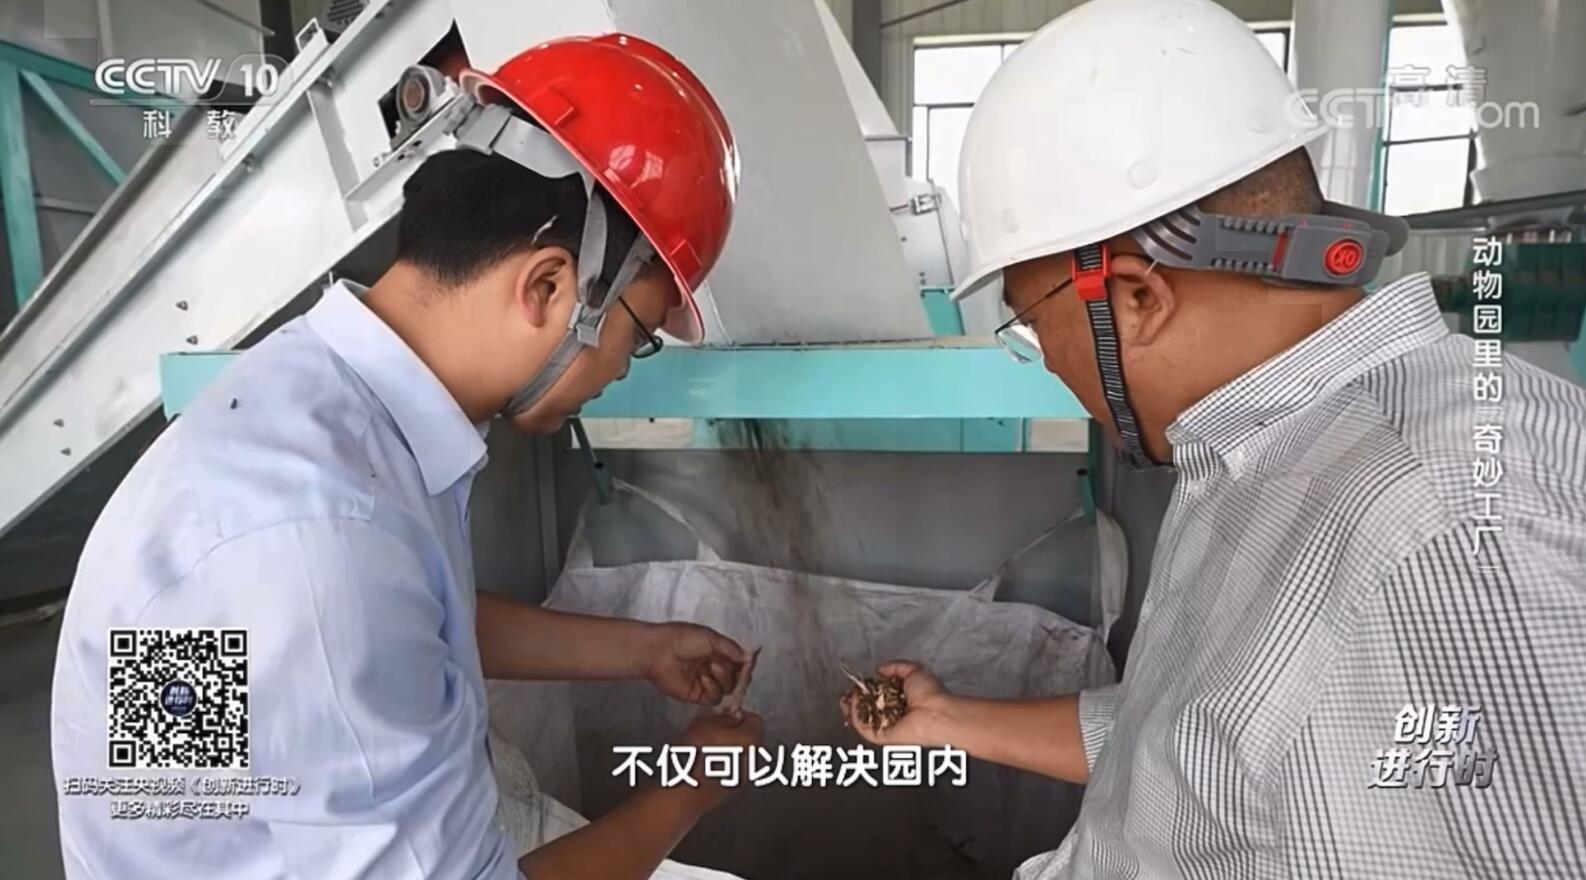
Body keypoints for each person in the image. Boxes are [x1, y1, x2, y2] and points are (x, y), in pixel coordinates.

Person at [844, 0, 1586, 877]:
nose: (1047, 362)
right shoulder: (1255, 454)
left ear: (1136, 299)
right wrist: (946, 719)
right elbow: (1200, 749)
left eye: (1035, 325)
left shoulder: (1450, 526)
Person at [52, 34, 762, 880]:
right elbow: (348, 613)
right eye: (637, 335)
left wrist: (641, 650)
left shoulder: (323, 413)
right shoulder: (317, 535)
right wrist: (687, 792)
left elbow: (415, 622)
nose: (618, 371)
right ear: (548, 287)